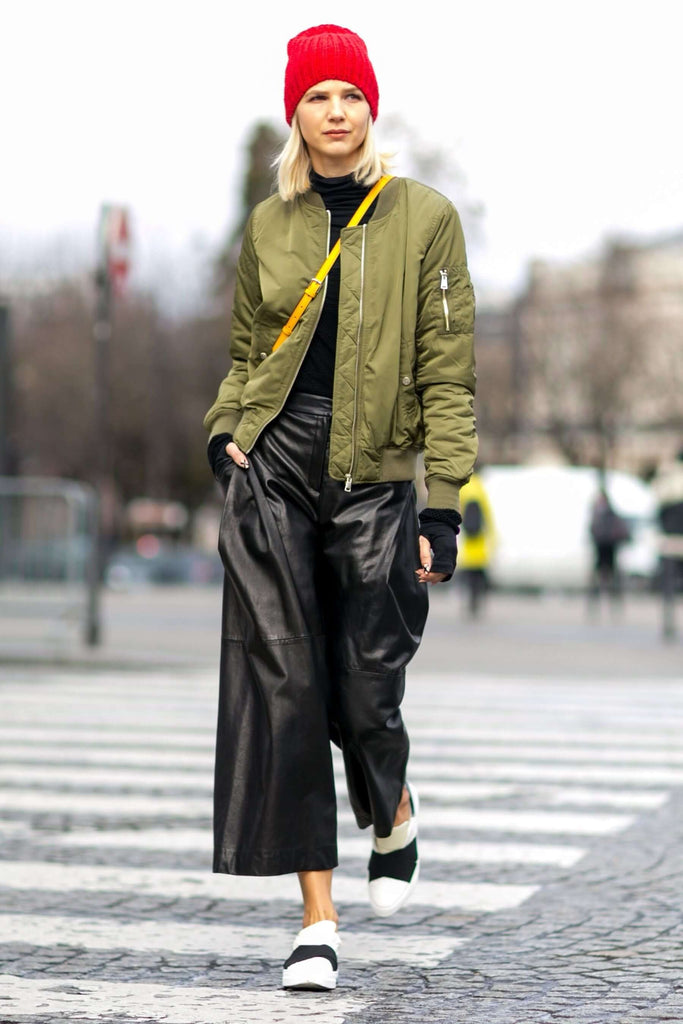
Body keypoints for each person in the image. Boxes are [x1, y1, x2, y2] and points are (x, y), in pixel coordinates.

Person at [204, 24, 477, 992]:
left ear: (370, 108)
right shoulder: (267, 224)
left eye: (348, 95)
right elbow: (247, 352)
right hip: (273, 465)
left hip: (373, 476)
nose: (333, 112)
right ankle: (315, 922)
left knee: (365, 689)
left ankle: (392, 804)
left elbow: (447, 373)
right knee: (285, 691)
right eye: (316, 96)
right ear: (296, 114)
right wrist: (222, 430)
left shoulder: (421, 217)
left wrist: (441, 505)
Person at [651, 449, 683, 640]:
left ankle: (668, 625)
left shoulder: (667, 479)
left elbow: (657, 507)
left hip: (669, 542)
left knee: (668, 589)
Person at [457, 470, 495, 617]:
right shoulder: (481, 488)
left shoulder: (464, 488)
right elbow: (487, 515)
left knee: (468, 575)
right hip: (480, 540)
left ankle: (470, 603)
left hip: (468, 540)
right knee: (478, 575)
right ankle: (477, 601)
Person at [588, 485, 630, 612]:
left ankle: (612, 606)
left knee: (611, 580)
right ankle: (596, 607)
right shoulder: (597, 514)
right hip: (601, 549)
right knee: (599, 580)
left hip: (609, 549)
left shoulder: (607, 514)